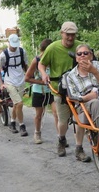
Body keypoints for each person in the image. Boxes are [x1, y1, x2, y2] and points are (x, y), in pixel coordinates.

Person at [38, 21, 90, 162]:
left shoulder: (80, 47)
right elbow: (41, 63)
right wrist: (44, 74)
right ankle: (61, 140)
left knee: (81, 119)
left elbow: (91, 61)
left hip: (79, 89)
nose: (70, 38)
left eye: (73, 35)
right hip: (60, 89)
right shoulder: (53, 47)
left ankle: (79, 149)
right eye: (68, 35)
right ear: (62, 33)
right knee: (63, 121)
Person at [25, 38, 58, 144]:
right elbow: (27, 78)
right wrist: (41, 82)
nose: (45, 54)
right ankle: (37, 133)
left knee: (56, 113)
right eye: (44, 52)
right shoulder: (36, 60)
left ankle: (60, 137)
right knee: (39, 114)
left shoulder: (54, 60)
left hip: (53, 91)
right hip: (39, 91)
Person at [0, 34, 29, 136]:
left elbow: (26, 65)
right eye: (13, 45)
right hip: (9, 82)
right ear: (9, 43)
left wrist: (29, 76)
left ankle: (12, 123)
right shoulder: (3, 55)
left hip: (21, 81)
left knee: (16, 104)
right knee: (19, 103)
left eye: (16, 45)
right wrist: (2, 83)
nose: (14, 47)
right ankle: (22, 125)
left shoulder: (22, 51)